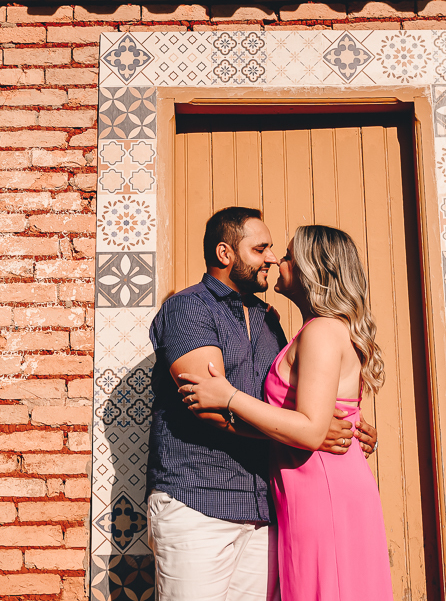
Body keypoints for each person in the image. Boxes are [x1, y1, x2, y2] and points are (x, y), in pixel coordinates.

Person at [147, 207, 377, 601]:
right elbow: (211, 408)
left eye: (278, 251)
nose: (271, 258)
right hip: (200, 498)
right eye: (262, 248)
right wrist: (310, 434)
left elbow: (299, 402)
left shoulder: (271, 320)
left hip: (262, 509)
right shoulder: (189, 308)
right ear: (225, 254)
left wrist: (331, 426)